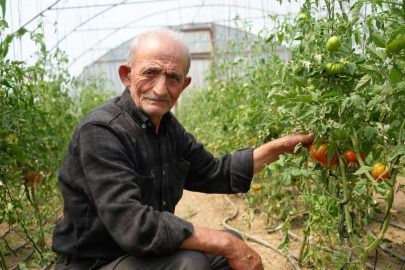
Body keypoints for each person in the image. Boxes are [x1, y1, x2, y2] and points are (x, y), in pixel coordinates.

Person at [52, 29, 314, 270]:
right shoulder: (100, 131)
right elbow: (134, 226)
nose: (160, 88)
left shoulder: (167, 128)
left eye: (173, 77)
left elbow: (216, 172)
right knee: (191, 262)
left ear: (184, 84)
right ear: (126, 76)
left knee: (227, 245)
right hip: (96, 263)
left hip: (139, 256)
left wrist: (279, 148)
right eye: (150, 72)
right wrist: (224, 243)